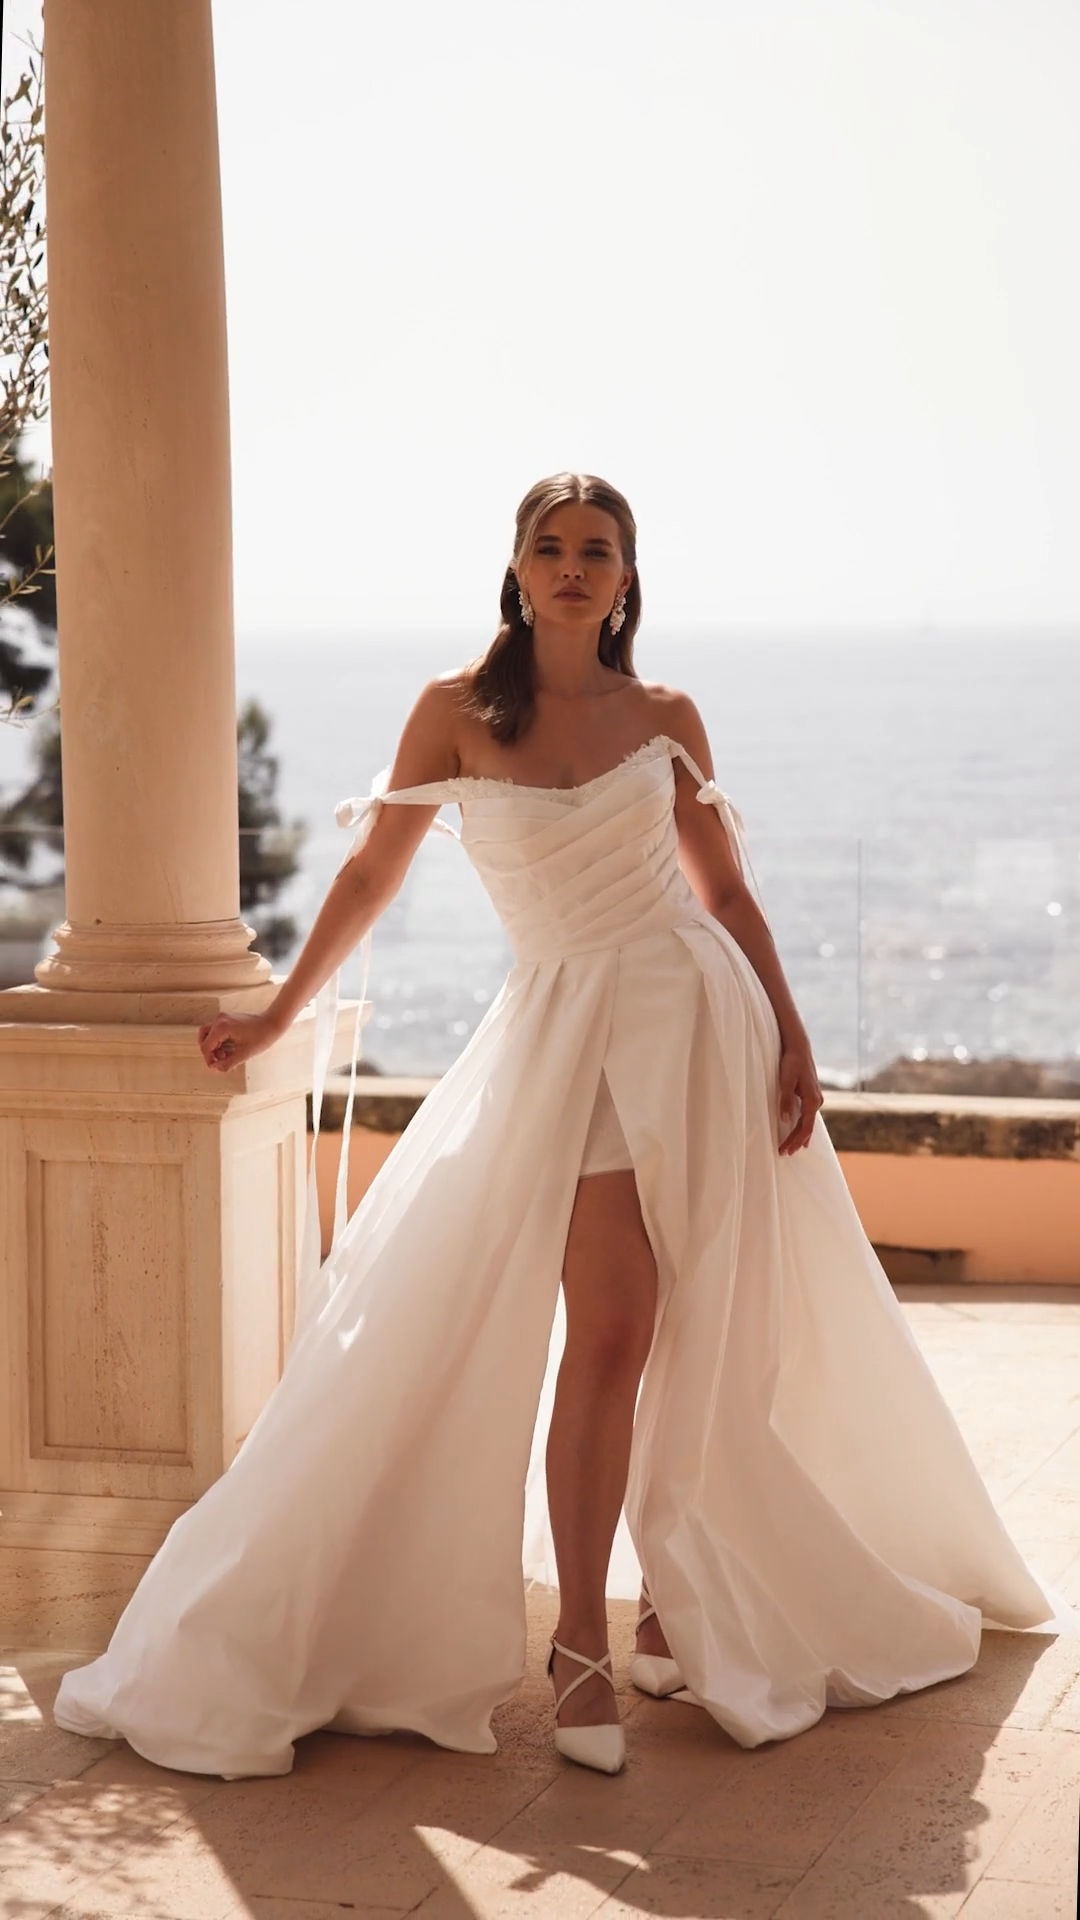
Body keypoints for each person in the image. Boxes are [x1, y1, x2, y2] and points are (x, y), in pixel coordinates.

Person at [55, 473, 1059, 1780]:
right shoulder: (455, 713)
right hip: (570, 1042)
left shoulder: (667, 715)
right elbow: (370, 875)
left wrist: (795, 1034)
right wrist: (278, 1016)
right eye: (551, 546)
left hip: (702, 1024)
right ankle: (580, 1639)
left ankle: (676, 1604)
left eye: (598, 549)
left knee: (710, 1324)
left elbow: (727, 893)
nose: (574, 567)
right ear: (517, 570)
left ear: (628, 579)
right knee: (615, 1328)